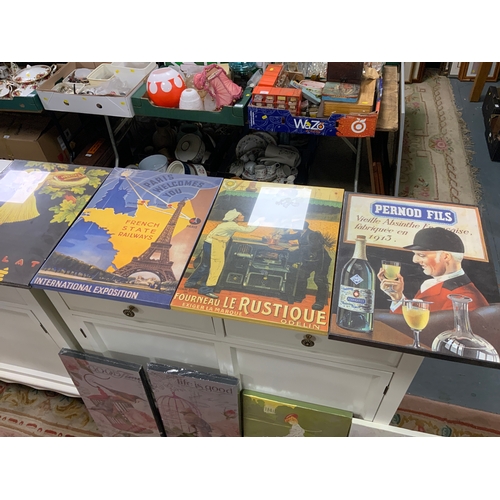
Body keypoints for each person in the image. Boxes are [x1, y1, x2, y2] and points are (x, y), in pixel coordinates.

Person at [377, 227, 489, 312]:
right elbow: (413, 319)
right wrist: (397, 296)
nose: (414, 260)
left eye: (421, 255)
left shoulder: (464, 298)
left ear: (446, 257)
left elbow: (415, 330)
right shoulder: (433, 285)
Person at [184, 209, 258, 299]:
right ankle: (206, 290)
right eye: (240, 215)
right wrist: (258, 222)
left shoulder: (224, 224)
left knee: (205, 265)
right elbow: (247, 230)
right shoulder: (231, 225)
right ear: (235, 218)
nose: (243, 216)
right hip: (216, 244)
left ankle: (190, 282)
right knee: (216, 267)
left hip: (208, 243)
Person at [279, 221, 332, 311]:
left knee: (319, 280)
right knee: (301, 275)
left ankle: (320, 302)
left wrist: (297, 247)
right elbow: (291, 236)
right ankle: (299, 296)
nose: (293, 227)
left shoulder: (312, 234)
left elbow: (314, 246)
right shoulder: (301, 233)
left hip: (321, 260)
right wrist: (281, 235)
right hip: (310, 260)